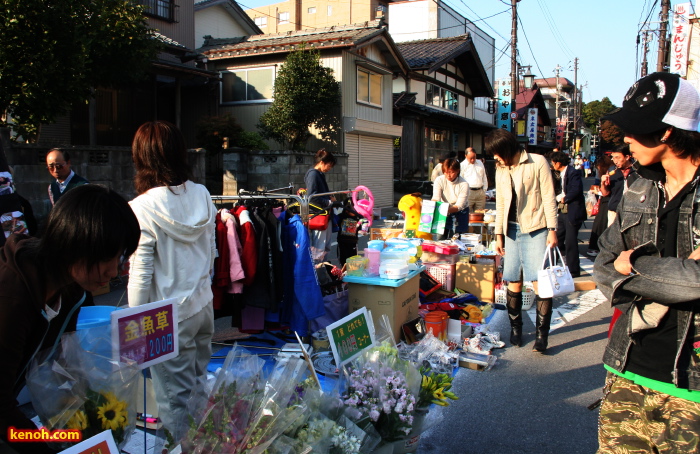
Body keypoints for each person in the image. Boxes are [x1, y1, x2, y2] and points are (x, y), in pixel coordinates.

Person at [594, 72, 700, 452]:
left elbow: (697, 283)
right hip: (627, 368)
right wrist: (676, 274)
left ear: (668, 132)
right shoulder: (638, 187)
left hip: (691, 389)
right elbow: (602, 265)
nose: (625, 139)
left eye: (635, 130)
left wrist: (632, 266)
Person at [0, 185, 140, 454]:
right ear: (73, 243)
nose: (113, 272)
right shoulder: (12, 297)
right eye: (105, 259)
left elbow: (62, 366)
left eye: (121, 257)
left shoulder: (72, 290)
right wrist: (41, 446)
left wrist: (89, 421)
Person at [127, 121, 217, 441]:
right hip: (203, 306)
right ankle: (208, 444)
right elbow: (211, 253)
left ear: (142, 157)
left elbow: (140, 274)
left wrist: (135, 331)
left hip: (167, 318)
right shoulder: (203, 194)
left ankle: (185, 448)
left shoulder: (141, 207)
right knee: (198, 386)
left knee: (174, 401)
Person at [485, 129, 558, 352]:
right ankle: (515, 329)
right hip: (511, 230)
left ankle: (541, 336)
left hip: (536, 227)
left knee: (539, 282)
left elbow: (548, 196)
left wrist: (553, 229)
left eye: (496, 153)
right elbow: (499, 204)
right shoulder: (500, 169)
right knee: (513, 280)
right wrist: (498, 235)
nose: (494, 158)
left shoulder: (537, 162)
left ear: (505, 148)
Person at [550, 151, 587, 277]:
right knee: (557, 237)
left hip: (573, 211)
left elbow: (575, 190)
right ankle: (554, 265)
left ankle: (573, 270)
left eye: (553, 162)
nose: (552, 165)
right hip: (563, 211)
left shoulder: (573, 172)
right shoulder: (559, 174)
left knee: (571, 241)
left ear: (558, 163)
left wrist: (563, 198)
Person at [305, 149, 337, 263]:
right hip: (318, 215)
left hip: (324, 215)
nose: (330, 168)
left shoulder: (319, 174)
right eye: (329, 165)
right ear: (322, 162)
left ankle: (324, 272)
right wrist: (328, 202)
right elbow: (312, 197)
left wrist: (329, 198)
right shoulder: (313, 174)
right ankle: (318, 274)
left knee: (325, 247)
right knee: (319, 249)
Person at [600, 144, 638, 227]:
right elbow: (605, 193)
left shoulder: (637, 170)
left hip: (633, 211)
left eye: (617, 157)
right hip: (614, 211)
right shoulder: (611, 170)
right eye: (613, 157)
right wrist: (602, 183)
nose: (615, 161)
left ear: (627, 157)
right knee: (613, 238)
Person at [431, 158, 469, 239]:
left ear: (458, 171)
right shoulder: (439, 180)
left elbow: (459, 206)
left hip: (460, 212)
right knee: (440, 239)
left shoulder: (464, 184)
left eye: (452, 172)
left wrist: (444, 209)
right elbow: (436, 198)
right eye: (446, 172)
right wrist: (430, 206)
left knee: (456, 240)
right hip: (442, 209)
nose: (448, 175)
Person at [586, 154, 613, 257]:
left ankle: (596, 246)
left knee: (600, 223)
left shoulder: (610, 171)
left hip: (606, 199)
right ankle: (599, 246)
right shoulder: (609, 170)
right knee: (602, 223)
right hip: (604, 198)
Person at [460, 148, 488, 214]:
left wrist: (484, 190)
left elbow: (484, 177)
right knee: (467, 214)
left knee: (480, 214)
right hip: (468, 192)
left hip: (480, 192)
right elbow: (460, 181)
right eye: (470, 158)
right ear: (465, 156)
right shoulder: (462, 165)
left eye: (474, 157)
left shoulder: (480, 163)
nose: (472, 160)